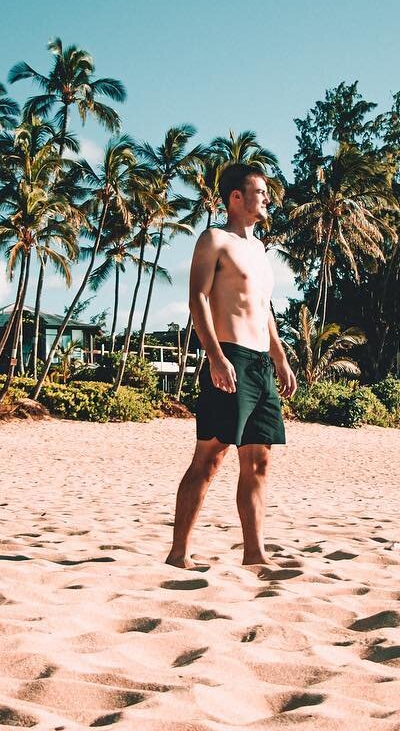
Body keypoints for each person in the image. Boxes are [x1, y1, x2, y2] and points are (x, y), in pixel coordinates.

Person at [166, 163, 297, 568]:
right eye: (260, 191)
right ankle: (178, 554)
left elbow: (263, 309)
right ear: (236, 197)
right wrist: (215, 356)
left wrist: (280, 356)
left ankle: (255, 555)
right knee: (210, 457)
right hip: (230, 355)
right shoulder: (214, 239)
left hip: (260, 364)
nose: (267, 198)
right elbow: (198, 299)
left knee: (259, 460)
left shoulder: (259, 251)